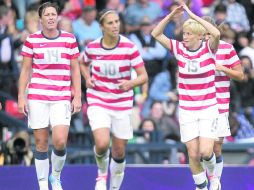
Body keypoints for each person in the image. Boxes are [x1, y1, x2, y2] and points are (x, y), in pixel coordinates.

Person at [151, 3, 221, 190]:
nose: (185, 36)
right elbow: (156, 34)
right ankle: (201, 186)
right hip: (187, 110)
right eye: (184, 33)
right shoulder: (179, 48)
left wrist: (191, 14)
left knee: (206, 152)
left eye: (189, 34)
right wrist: (171, 14)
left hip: (207, 108)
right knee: (193, 153)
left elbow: (216, 34)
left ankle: (214, 176)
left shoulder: (208, 49)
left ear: (199, 36)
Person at [80, 8, 148, 190]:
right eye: (110, 23)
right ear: (102, 27)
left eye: (117, 21)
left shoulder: (129, 47)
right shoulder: (93, 47)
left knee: (118, 151)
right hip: (98, 99)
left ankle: (115, 187)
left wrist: (130, 83)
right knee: (102, 144)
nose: (115, 25)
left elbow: (143, 76)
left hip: (122, 103)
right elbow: (82, 62)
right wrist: (87, 78)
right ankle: (101, 177)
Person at [18, 2, 81, 190]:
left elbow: (75, 69)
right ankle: (43, 184)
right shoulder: (32, 40)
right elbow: (25, 70)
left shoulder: (69, 39)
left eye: (54, 14)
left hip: (61, 96)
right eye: (47, 15)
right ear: (41, 19)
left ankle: (55, 176)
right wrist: (22, 96)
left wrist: (77, 96)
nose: (51, 17)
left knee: (60, 141)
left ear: (58, 17)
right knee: (41, 142)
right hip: (38, 96)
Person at [202, 16, 244, 190]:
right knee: (203, 150)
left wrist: (222, 68)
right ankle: (206, 181)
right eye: (202, 33)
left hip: (220, 104)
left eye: (207, 32)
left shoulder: (227, 49)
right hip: (200, 104)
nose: (205, 37)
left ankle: (215, 182)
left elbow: (240, 75)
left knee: (217, 145)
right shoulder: (194, 49)